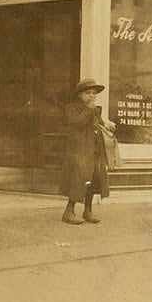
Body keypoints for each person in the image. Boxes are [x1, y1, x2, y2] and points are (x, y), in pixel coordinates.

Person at [59, 78, 115, 225]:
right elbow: (78, 123)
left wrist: (107, 124)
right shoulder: (72, 108)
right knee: (78, 180)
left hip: (95, 150)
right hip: (80, 150)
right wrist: (90, 110)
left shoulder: (94, 110)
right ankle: (69, 211)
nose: (92, 96)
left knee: (94, 179)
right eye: (88, 93)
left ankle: (87, 210)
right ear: (79, 95)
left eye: (94, 93)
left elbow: (99, 124)